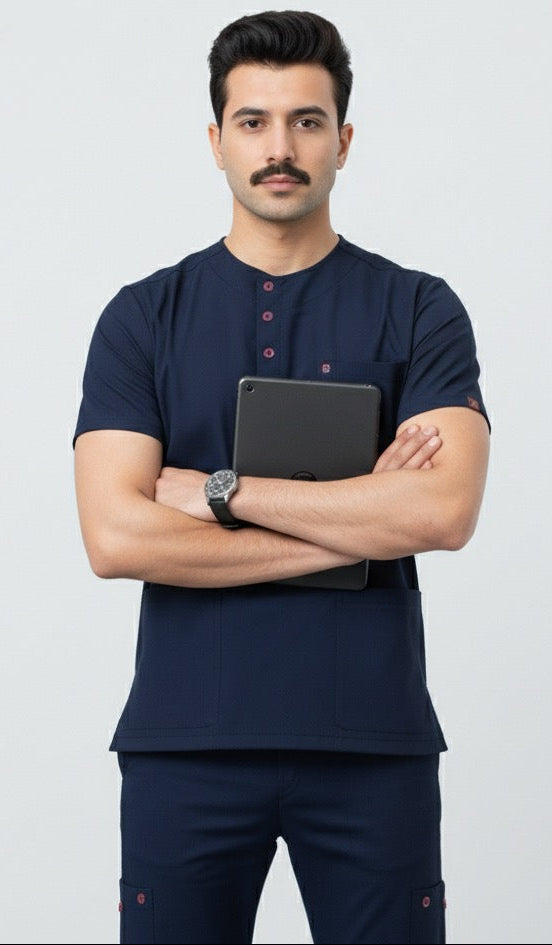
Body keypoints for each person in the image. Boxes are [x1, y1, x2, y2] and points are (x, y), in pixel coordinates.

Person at [73, 10, 490, 944]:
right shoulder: (142, 318)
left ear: (343, 140)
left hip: (373, 742)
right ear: (216, 141)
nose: (280, 147)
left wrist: (220, 493)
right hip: (184, 743)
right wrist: (355, 523)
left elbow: (444, 508)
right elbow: (115, 538)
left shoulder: (420, 309)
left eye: (306, 121)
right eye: (254, 121)